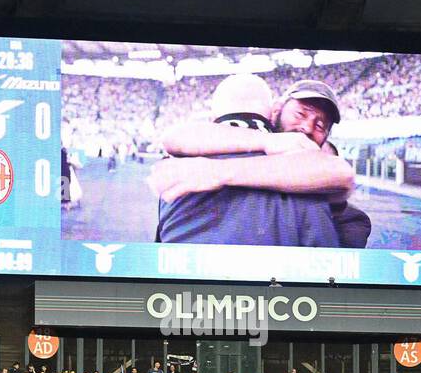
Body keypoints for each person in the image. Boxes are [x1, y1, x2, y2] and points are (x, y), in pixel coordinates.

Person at [150, 74, 350, 247]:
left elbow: (339, 173)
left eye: (320, 126)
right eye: (300, 114)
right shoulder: (190, 157)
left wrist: (217, 171)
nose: (306, 127)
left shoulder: (185, 170)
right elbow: (174, 137)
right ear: (274, 111)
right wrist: (268, 141)